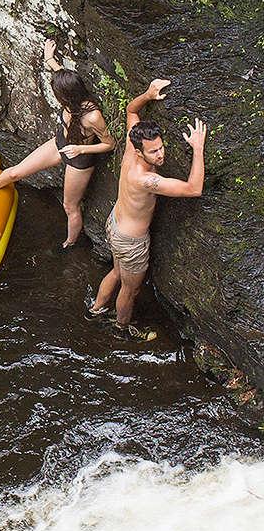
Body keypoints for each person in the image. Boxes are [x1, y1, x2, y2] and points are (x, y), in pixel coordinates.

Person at [86, 78, 206, 340]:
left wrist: (149, 94)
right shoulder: (146, 180)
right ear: (140, 153)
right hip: (131, 241)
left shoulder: (133, 143)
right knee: (130, 290)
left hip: (115, 224)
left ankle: (95, 310)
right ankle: (121, 328)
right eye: (153, 152)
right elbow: (193, 189)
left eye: (161, 147)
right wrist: (198, 149)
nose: (160, 155)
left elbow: (131, 110)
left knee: (117, 272)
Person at [0, 39, 114, 247]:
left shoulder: (92, 116)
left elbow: (110, 144)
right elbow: (60, 74)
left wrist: (80, 148)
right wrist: (49, 58)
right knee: (15, 173)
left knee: (69, 206)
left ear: (66, 96)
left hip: (79, 159)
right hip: (61, 143)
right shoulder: (69, 86)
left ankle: (69, 243)